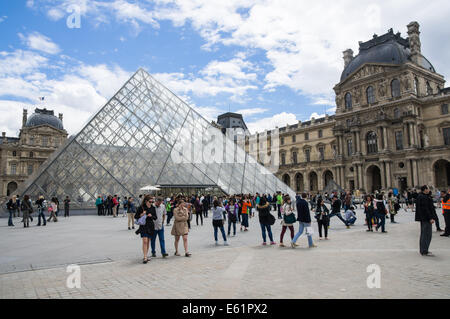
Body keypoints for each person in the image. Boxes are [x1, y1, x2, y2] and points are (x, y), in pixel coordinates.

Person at [135, 196, 157, 263]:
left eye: (152, 202)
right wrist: (142, 214)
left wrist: (151, 216)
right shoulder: (141, 207)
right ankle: (145, 257)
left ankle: (146, 255)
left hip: (150, 226)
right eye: (150, 201)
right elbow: (136, 216)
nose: (151, 203)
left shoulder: (153, 208)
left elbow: (155, 217)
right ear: (146, 201)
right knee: (145, 241)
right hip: (143, 226)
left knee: (148, 242)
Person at [415, 186, 435, 256]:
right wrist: (430, 218)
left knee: (424, 234)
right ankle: (424, 251)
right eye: (428, 189)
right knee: (427, 234)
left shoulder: (421, 196)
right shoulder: (424, 197)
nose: (429, 190)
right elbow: (426, 209)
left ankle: (423, 250)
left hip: (423, 218)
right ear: (425, 190)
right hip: (426, 218)